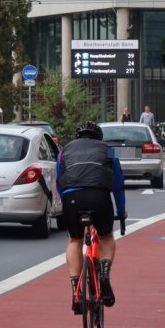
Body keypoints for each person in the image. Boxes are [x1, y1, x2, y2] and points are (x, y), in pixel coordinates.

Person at [57, 121, 127, 311]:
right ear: (99, 138)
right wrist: (121, 211)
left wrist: (67, 202)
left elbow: (59, 181)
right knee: (105, 237)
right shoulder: (109, 150)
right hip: (99, 195)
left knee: (74, 240)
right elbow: (118, 183)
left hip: (72, 196)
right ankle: (104, 274)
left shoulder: (64, 151)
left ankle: (76, 294)